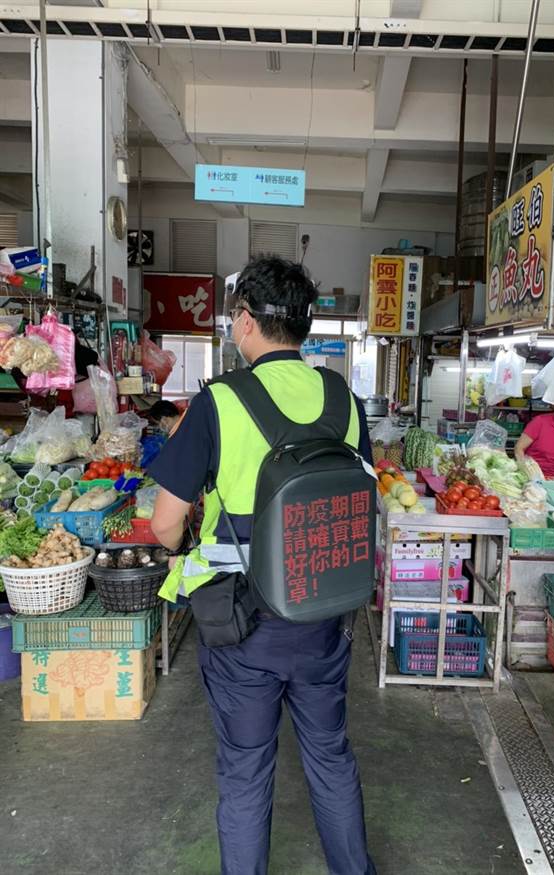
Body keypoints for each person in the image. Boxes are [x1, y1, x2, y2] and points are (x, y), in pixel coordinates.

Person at [149, 255, 377, 875]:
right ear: (303, 325)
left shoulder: (219, 402)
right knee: (331, 758)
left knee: (246, 773)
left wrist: (189, 546)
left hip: (241, 627)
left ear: (245, 322)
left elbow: (164, 524)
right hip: (323, 614)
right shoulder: (345, 401)